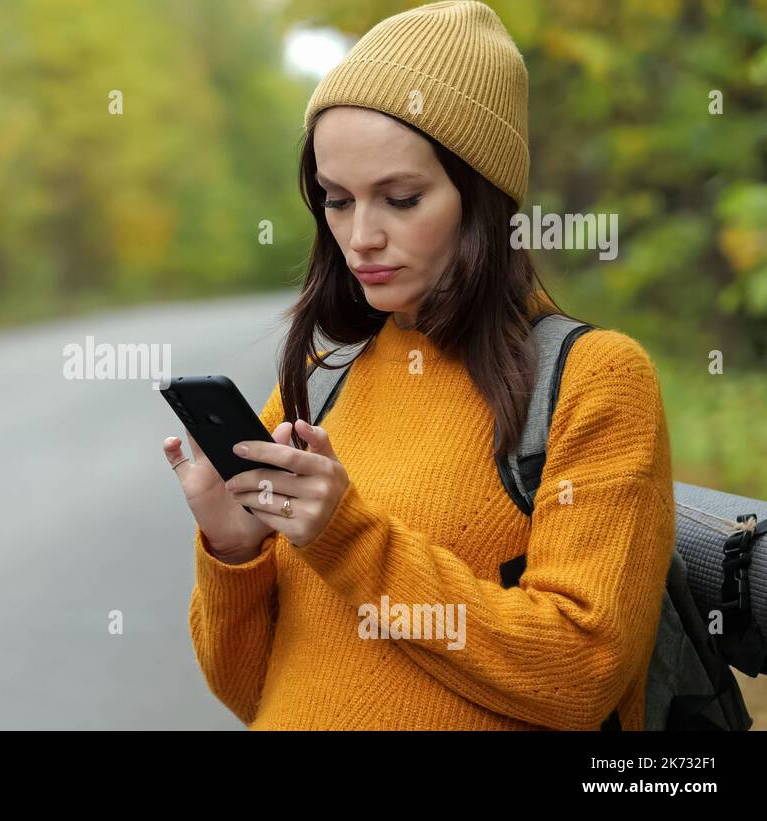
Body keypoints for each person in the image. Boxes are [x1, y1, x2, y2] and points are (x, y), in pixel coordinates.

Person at [161, 0, 675, 730]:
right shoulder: (322, 379)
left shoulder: (593, 380)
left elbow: (581, 674)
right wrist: (234, 551)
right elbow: (253, 691)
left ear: (483, 200)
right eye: (337, 201)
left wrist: (348, 536)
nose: (361, 236)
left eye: (401, 199)